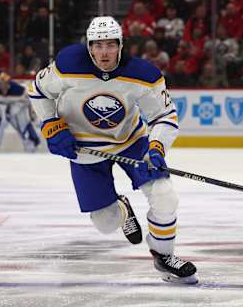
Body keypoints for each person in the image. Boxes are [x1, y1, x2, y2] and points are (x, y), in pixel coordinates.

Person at [28, 16, 197, 284]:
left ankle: (164, 257)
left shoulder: (144, 74)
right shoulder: (68, 64)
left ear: (120, 45)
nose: (104, 52)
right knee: (106, 224)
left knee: (165, 197)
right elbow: (38, 91)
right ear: (89, 46)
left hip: (131, 142)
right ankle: (122, 209)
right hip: (84, 148)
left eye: (110, 45)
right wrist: (51, 124)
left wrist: (156, 147)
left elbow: (165, 115)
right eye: (97, 45)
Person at [0, 72, 40, 153]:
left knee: (23, 123)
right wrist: (1, 112)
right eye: (0, 84)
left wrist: (31, 114)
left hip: (17, 109)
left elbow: (28, 102)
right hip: (1, 110)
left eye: (5, 83)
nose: (3, 86)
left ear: (9, 83)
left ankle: (31, 145)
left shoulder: (19, 90)